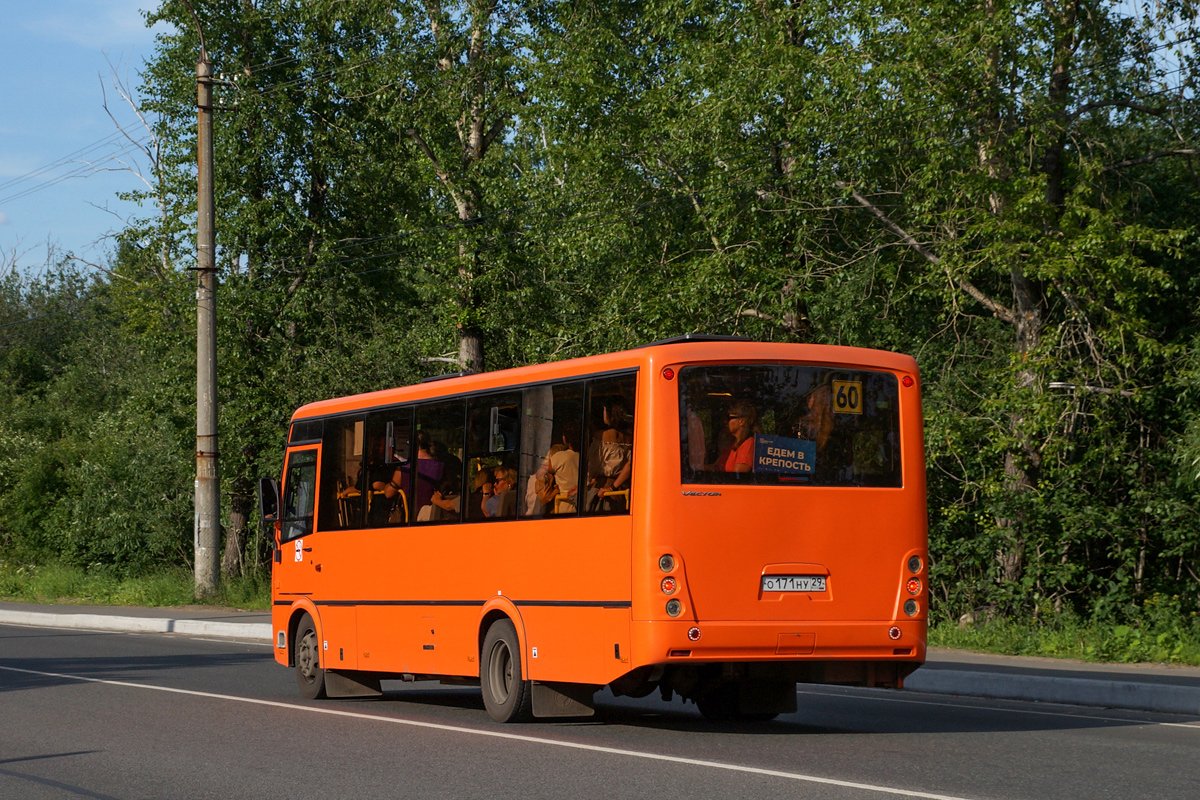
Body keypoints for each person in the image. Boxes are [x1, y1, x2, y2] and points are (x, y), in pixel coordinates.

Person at [590, 400, 632, 511]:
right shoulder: (631, 437)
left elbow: (593, 467)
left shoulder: (602, 435)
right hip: (624, 488)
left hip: (604, 488)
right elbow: (630, 465)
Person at [713, 400, 759, 473]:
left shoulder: (748, 445)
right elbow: (716, 467)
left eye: (730, 418)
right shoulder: (734, 444)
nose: (726, 422)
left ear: (741, 421)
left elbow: (737, 479)